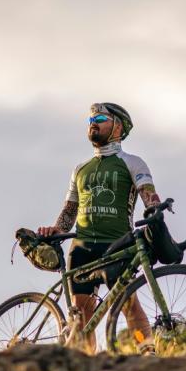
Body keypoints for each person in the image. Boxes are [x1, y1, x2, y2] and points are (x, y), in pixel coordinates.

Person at [38, 102, 161, 353]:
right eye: (90, 120)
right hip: (81, 248)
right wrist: (56, 229)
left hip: (116, 244)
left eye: (101, 118)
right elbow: (70, 211)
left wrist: (155, 208)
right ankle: (86, 366)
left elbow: (149, 196)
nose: (93, 123)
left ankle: (148, 354)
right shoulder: (80, 169)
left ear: (118, 126)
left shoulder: (133, 163)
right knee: (81, 316)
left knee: (128, 303)